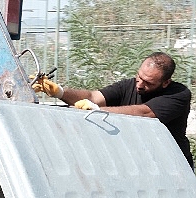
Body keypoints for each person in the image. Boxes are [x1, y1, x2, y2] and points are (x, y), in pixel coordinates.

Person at [33, 51, 193, 169]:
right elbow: (93, 97)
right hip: (142, 165)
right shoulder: (128, 86)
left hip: (174, 166)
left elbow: (146, 113)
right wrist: (58, 91)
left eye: (148, 83)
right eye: (139, 76)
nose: (139, 85)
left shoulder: (178, 95)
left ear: (165, 82)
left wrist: (98, 111)